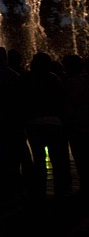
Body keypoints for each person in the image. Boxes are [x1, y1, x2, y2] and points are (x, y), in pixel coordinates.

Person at [22, 52, 71, 198]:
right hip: (54, 123)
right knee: (58, 159)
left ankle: (39, 190)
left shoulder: (27, 79)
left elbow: (23, 101)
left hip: (34, 124)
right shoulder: (54, 79)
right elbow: (62, 101)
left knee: (39, 159)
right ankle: (61, 191)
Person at [0, 46, 32, 198]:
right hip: (15, 122)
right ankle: (25, 180)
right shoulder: (15, 76)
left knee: (4, 152)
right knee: (20, 150)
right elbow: (23, 101)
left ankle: (4, 181)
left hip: (2, 122)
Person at [61, 54, 88, 195]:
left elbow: (68, 106)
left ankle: (84, 183)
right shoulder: (85, 81)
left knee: (80, 156)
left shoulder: (70, 84)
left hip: (76, 126)